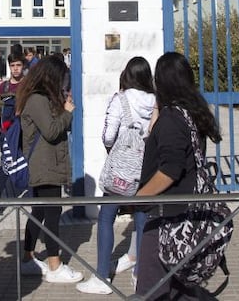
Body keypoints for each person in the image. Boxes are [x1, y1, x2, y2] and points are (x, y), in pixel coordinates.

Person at [135, 52, 222, 300]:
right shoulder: (191, 112)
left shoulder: (173, 118)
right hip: (187, 216)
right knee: (180, 288)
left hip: (168, 218)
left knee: (152, 291)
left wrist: (139, 198)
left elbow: (169, 171)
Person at [76, 56, 156, 294]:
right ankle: (140, 276)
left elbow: (108, 136)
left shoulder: (120, 99)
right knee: (141, 219)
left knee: (106, 216)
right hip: (146, 169)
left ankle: (102, 277)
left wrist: (115, 153)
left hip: (121, 169)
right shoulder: (155, 100)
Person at [15, 55, 83, 283]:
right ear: (52, 77)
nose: (64, 82)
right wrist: (68, 111)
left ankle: (28, 259)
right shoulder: (37, 100)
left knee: (40, 212)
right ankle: (54, 265)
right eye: (62, 78)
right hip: (45, 165)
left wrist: (64, 107)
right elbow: (52, 131)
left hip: (49, 162)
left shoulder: (44, 98)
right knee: (52, 212)